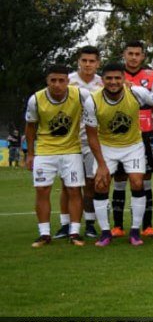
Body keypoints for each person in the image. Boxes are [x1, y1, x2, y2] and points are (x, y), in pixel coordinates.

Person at [24, 65, 99, 247]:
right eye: (53, 80)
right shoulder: (36, 99)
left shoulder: (80, 95)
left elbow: (98, 105)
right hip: (45, 151)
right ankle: (44, 234)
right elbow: (30, 127)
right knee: (42, 190)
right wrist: (30, 154)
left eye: (61, 80)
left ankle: (74, 232)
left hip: (72, 150)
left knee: (74, 190)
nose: (57, 84)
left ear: (68, 81)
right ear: (47, 81)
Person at [89, 62, 153, 247]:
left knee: (137, 182)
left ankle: (135, 231)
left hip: (133, 145)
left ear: (124, 79)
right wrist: (101, 165)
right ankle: (105, 232)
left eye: (117, 78)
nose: (113, 82)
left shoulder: (137, 93)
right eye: (109, 78)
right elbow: (91, 135)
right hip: (106, 146)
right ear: (102, 80)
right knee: (101, 184)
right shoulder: (92, 100)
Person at [118, 41, 153, 238]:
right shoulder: (114, 75)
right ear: (124, 55)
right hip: (120, 134)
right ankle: (118, 226)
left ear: (143, 56)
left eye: (138, 54)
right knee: (120, 178)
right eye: (130, 53)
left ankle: (147, 225)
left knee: (145, 178)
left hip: (146, 133)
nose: (134, 57)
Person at [62, 45, 102, 238]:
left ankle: (90, 223)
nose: (87, 64)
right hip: (69, 141)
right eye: (84, 60)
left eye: (91, 61)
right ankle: (65, 224)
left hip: (92, 141)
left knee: (90, 183)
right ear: (78, 61)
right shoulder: (67, 81)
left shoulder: (102, 83)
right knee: (67, 184)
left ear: (98, 63)